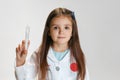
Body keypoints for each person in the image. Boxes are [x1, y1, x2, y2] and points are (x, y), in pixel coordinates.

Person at [15, 7, 89, 80]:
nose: (61, 32)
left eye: (66, 27)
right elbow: (25, 78)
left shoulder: (78, 55)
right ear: (49, 31)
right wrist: (20, 62)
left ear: (72, 31)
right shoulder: (40, 53)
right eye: (56, 28)